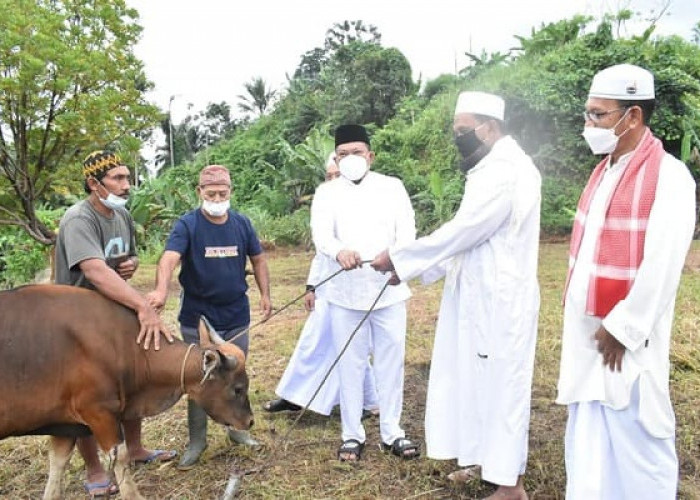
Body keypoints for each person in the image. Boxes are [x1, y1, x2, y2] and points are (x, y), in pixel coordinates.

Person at [372, 91, 541, 499]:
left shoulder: (507, 170)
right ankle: (484, 460)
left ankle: (510, 485)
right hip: (477, 292)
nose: (458, 137)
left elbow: (464, 231)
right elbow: (469, 242)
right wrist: (415, 268)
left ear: (490, 127)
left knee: (502, 387)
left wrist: (399, 257)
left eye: (463, 130)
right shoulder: (487, 167)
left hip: (500, 300)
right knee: (474, 380)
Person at [555, 64, 696, 499]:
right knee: (591, 448)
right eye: (588, 114)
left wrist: (623, 328)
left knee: (637, 442)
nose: (589, 124)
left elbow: (664, 264)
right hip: (588, 337)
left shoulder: (669, 176)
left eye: (598, 115)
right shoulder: (605, 171)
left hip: (627, 344)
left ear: (632, 116)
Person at [54, 150, 176, 498]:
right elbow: (93, 270)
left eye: (127, 177)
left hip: (114, 310)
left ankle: (135, 449)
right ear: (94, 184)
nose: (127, 185)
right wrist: (144, 307)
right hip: (77, 317)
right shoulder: (79, 218)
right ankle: (94, 468)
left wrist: (132, 263)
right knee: (88, 394)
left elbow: (126, 256)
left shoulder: (120, 214)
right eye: (118, 179)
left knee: (130, 378)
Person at [147, 164, 272, 470]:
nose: (217, 198)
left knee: (235, 376)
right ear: (199, 192)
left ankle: (236, 431)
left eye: (223, 192)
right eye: (211, 192)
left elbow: (258, 260)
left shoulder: (242, 224)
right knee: (199, 381)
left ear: (231, 192)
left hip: (235, 316)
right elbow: (168, 260)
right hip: (198, 319)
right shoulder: (187, 225)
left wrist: (266, 295)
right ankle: (197, 440)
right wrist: (161, 290)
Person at [311, 124, 419, 462]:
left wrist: (397, 259)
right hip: (345, 293)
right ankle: (352, 435)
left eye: (356, 152)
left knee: (390, 363)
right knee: (350, 365)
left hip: (388, 291)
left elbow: (408, 232)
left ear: (370, 155)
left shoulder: (392, 187)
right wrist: (339, 251)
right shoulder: (326, 193)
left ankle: (392, 432)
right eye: (342, 154)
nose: (350, 159)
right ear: (335, 158)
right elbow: (322, 236)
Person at [263, 154, 380, 418]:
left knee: (353, 345)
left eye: (337, 175)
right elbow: (321, 252)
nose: (332, 181)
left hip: (355, 289)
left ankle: (366, 402)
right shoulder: (326, 205)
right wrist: (311, 285)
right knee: (313, 342)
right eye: (329, 176)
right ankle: (294, 396)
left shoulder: (367, 206)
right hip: (328, 287)